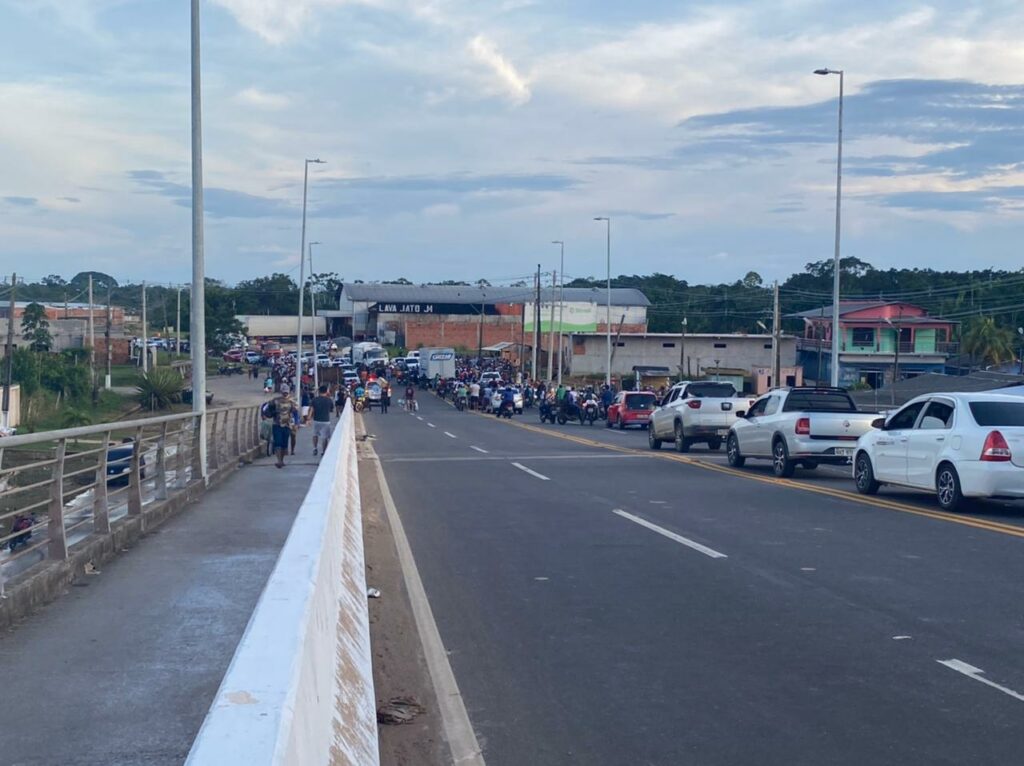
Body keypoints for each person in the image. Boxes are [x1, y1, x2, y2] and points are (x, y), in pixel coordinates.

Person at [265, 386, 297, 468]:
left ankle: (281, 460)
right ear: (281, 392)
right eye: (284, 392)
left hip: (287, 425)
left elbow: (295, 412)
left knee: (284, 444)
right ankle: (279, 461)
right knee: (278, 443)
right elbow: (266, 407)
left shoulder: (292, 401)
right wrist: (270, 413)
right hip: (277, 424)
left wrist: (295, 423)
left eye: (286, 392)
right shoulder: (275, 401)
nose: (285, 394)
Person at [311, 385, 334, 457]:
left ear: (319, 391)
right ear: (326, 391)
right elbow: (331, 409)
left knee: (315, 435)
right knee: (324, 437)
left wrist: (308, 418)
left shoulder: (314, 399)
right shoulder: (329, 400)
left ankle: (315, 448)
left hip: (316, 420)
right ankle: (323, 451)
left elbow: (311, 409)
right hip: (326, 421)